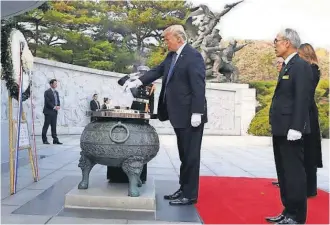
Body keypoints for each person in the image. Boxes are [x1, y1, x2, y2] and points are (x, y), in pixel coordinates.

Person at [123, 24, 207, 206]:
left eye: (167, 39)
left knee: (191, 156)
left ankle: (190, 194)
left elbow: (198, 87)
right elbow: (156, 71)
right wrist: (137, 82)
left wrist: (197, 112)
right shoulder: (172, 56)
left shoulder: (193, 57)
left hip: (191, 116)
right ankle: (183, 189)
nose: (165, 43)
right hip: (179, 115)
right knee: (184, 155)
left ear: (179, 38)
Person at [266, 28, 313, 224]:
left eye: (276, 40)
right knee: (283, 173)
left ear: (287, 43)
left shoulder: (300, 66)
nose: (274, 44)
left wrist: (297, 127)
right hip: (281, 128)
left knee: (294, 174)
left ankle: (297, 216)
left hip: (291, 130)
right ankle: (287, 211)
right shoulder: (287, 65)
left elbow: (303, 98)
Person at [298, 43, 323, 197]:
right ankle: (307, 186)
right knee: (307, 149)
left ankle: (310, 188)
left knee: (309, 150)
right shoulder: (312, 69)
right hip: (308, 110)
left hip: (308, 112)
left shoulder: (311, 69)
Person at [271, 57, 284, 188]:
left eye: (280, 63)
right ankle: (282, 179)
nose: (278, 65)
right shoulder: (281, 75)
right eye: (277, 63)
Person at [42, 79, 62, 145]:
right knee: (46, 126)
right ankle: (44, 140)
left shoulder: (56, 92)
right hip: (48, 111)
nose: (56, 85)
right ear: (51, 84)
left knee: (54, 126)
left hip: (55, 112)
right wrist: (54, 107)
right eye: (55, 83)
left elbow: (58, 100)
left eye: (56, 83)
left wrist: (58, 106)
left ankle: (55, 139)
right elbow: (48, 102)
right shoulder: (47, 92)